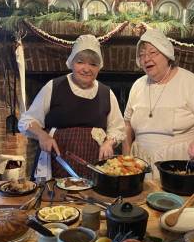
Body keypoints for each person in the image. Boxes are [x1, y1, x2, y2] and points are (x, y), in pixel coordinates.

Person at [19, 34, 125, 180]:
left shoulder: (106, 93)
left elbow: (117, 127)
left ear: (99, 67)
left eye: (93, 64)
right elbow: (27, 120)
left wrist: (109, 142)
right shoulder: (53, 87)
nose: (86, 69)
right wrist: (42, 135)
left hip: (94, 165)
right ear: (71, 62)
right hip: (57, 162)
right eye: (80, 62)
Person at [123, 28, 194, 178]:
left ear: (167, 54)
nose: (146, 59)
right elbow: (127, 124)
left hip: (178, 165)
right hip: (140, 164)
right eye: (142, 54)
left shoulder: (190, 82)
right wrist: (126, 159)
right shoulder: (138, 86)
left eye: (152, 53)